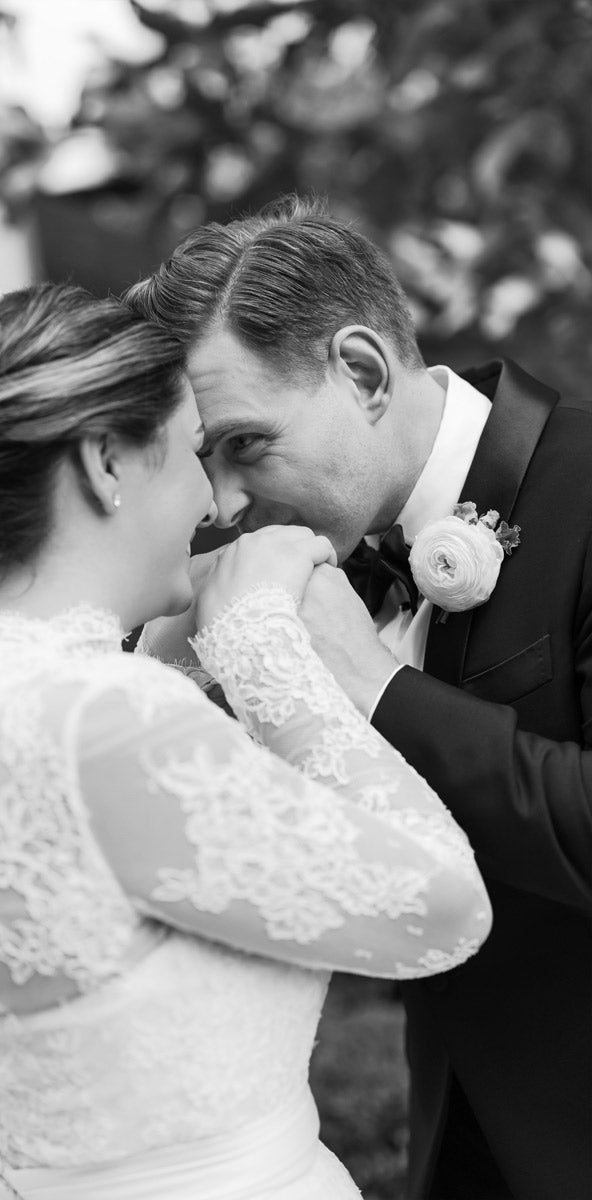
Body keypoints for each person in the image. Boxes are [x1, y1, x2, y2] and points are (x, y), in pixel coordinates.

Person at [0, 278, 491, 1200]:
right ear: (105, 464)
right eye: (192, 449)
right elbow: (442, 906)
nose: (216, 496)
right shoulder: (101, 718)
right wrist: (262, 646)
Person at [125, 194, 592, 1200]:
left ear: (362, 372)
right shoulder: (326, 561)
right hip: (451, 1138)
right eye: (204, 461)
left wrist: (374, 684)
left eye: (245, 442)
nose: (227, 501)